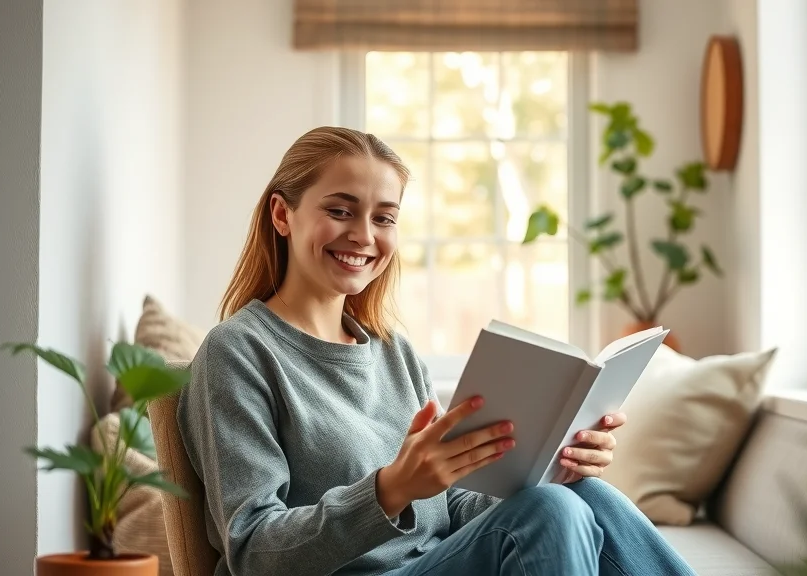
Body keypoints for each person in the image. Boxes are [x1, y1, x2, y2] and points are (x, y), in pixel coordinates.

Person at [178, 126, 696, 576]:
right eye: (340, 211)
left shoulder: (393, 353)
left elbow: (452, 508)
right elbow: (251, 552)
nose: (363, 235)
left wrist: (553, 467)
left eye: (384, 218)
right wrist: (388, 490)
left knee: (579, 497)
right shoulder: (238, 354)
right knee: (550, 513)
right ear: (281, 214)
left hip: (433, 565)